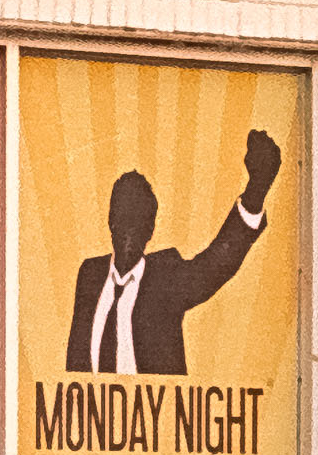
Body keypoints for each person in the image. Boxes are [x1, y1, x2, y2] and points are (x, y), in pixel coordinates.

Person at [62, 130, 283, 378]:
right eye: (123, 217)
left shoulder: (167, 278)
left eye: (140, 221)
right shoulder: (89, 275)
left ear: (151, 230)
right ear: (110, 221)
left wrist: (255, 192)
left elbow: (214, 265)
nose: (129, 231)